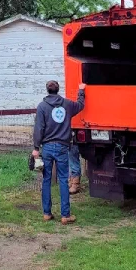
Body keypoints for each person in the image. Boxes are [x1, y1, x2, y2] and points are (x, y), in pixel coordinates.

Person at [32, 80, 85, 224]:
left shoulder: (42, 107)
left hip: (47, 148)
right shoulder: (67, 104)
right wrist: (81, 91)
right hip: (62, 147)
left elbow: (39, 129)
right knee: (63, 180)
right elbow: (80, 105)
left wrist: (36, 148)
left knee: (46, 179)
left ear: (47, 90)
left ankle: (47, 213)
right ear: (58, 90)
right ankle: (65, 215)